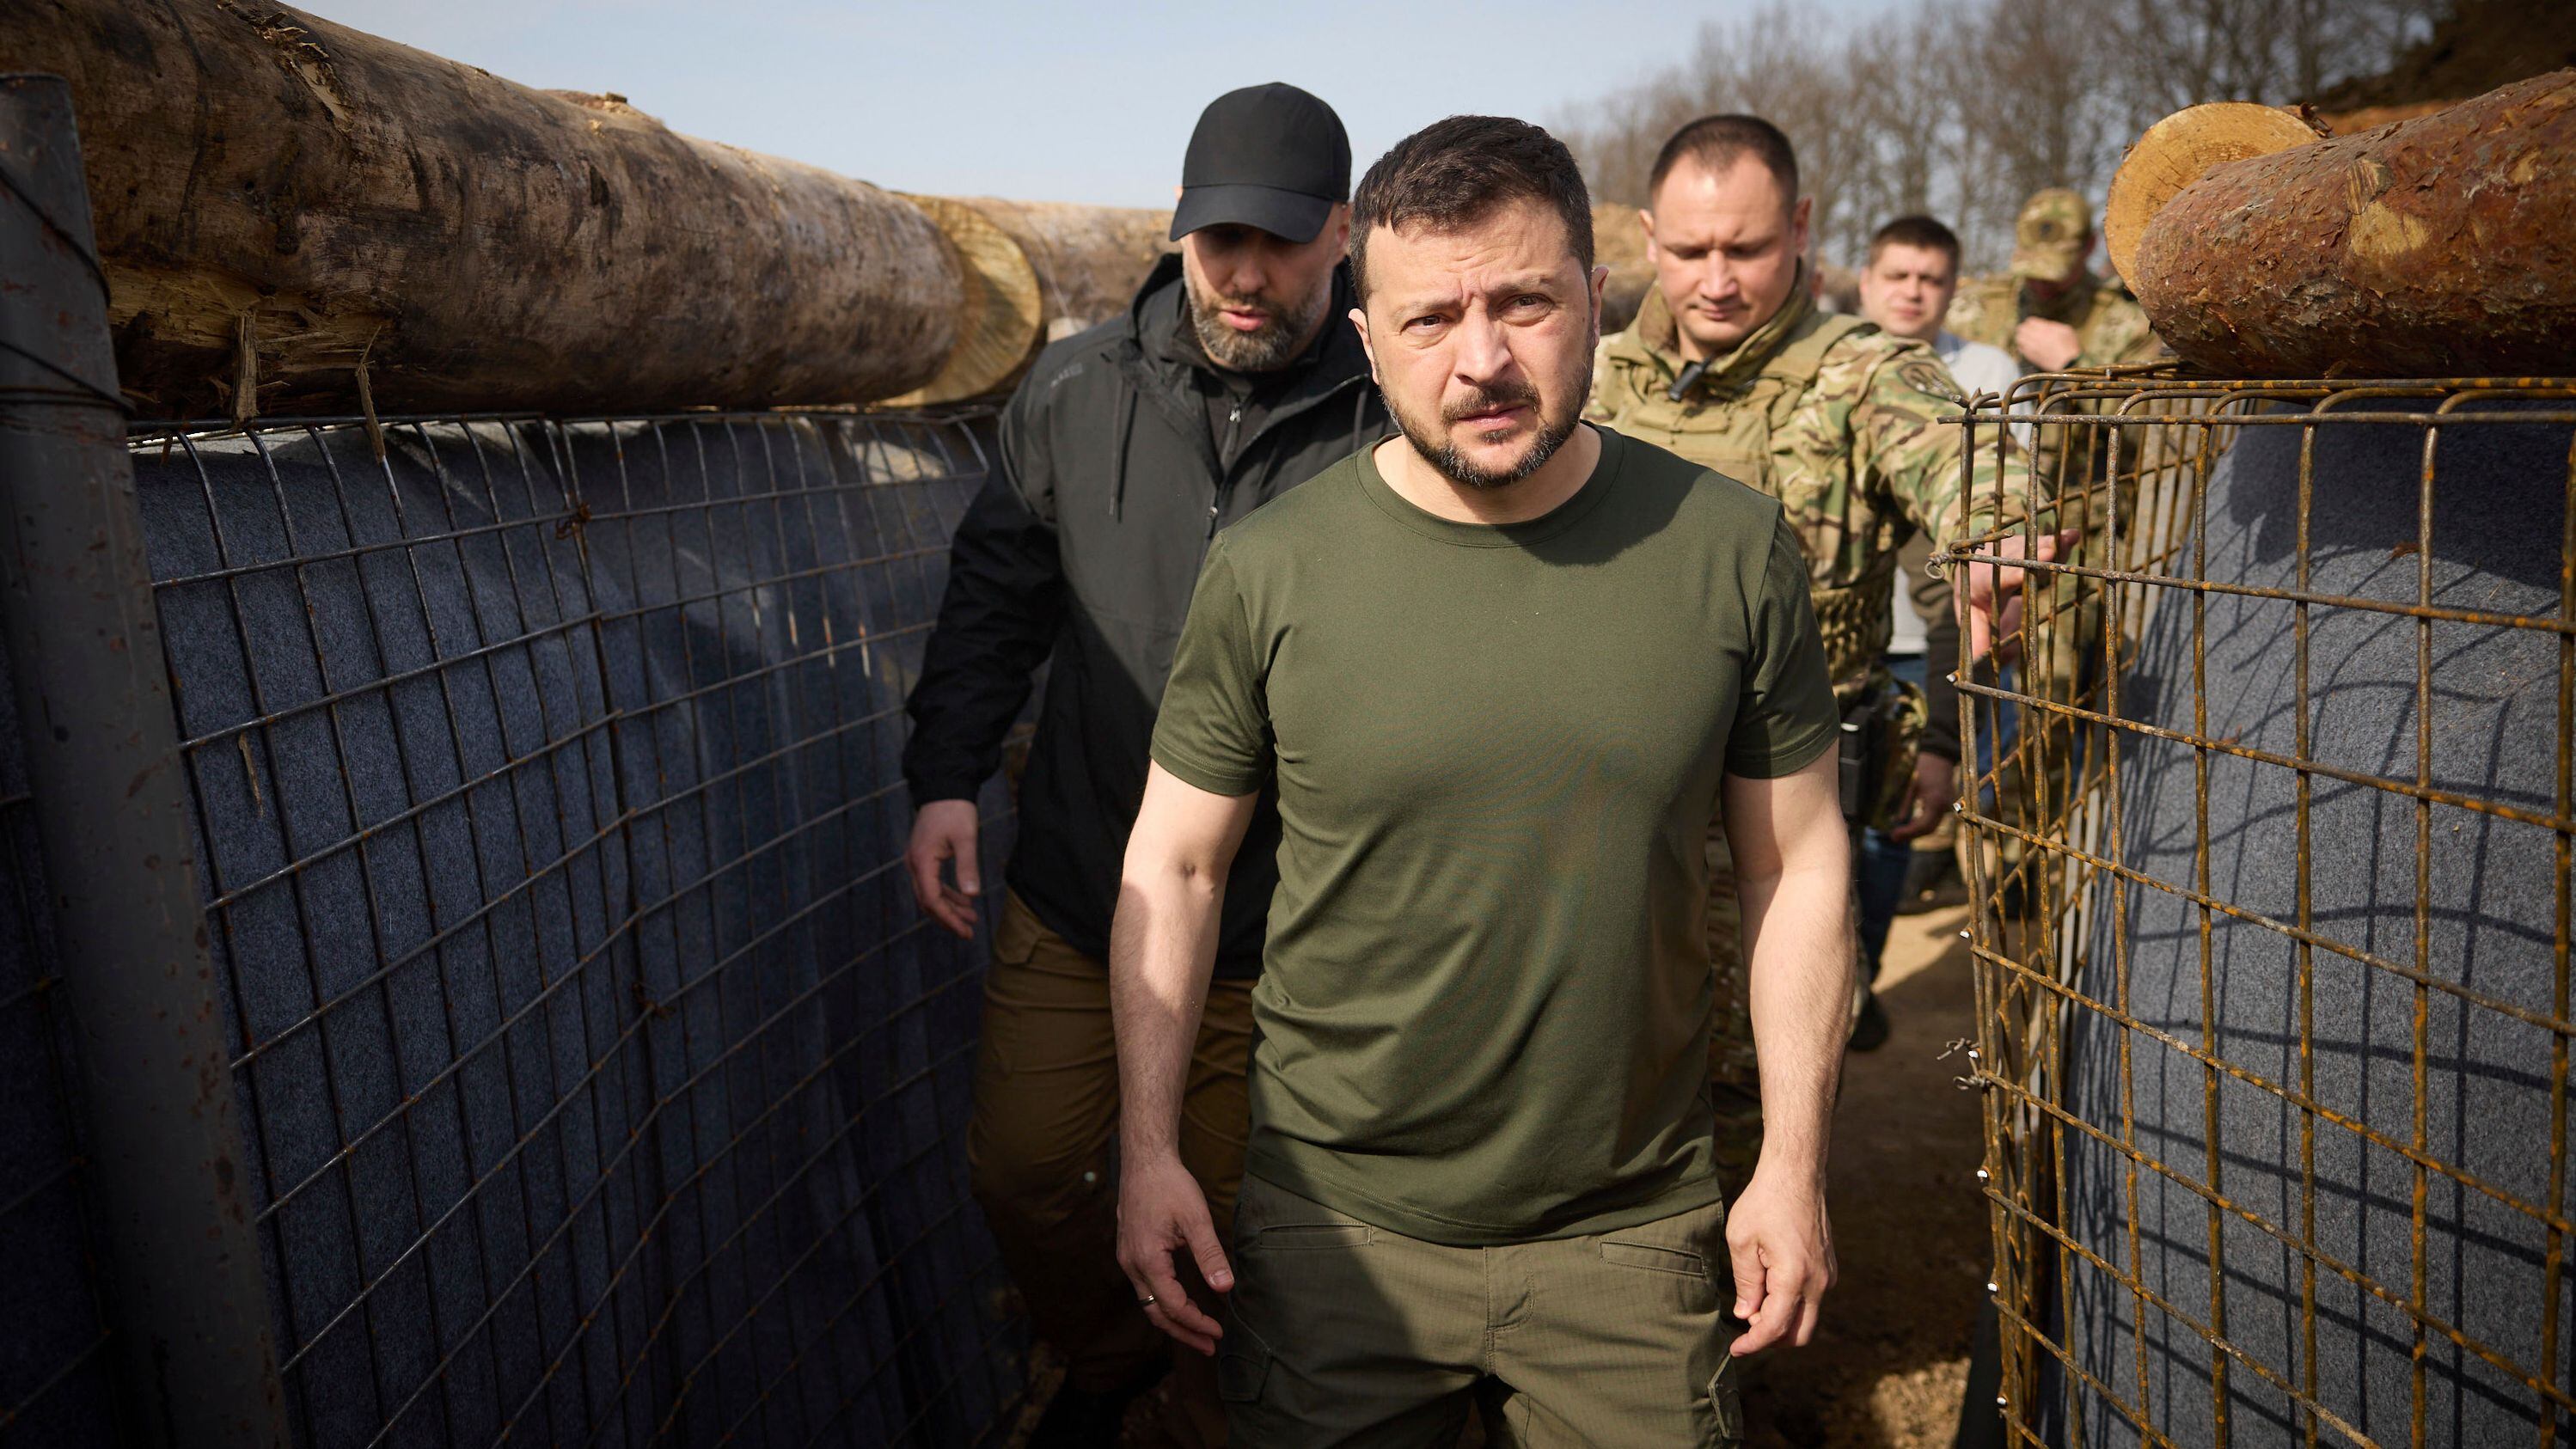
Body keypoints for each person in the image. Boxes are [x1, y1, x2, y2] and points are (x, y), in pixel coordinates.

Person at [1111, 113, 2055, 1447]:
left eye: (1525, 302)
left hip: (1632, 1234)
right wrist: (1148, 1148)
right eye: (1431, 319)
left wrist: (1789, 1165)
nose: (1484, 360)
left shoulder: (1729, 550)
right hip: (1335, 1236)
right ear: (1368, 338)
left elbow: (1794, 864)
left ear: (1597, 301)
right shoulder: (1271, 569)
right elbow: (1177, 863)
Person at [900, 82, 1384, 1446]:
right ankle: (1107, 1362)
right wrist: (944, 773)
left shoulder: (1382, 418)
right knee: (1027, 1172)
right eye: (1216, 237)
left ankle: (1192, 1399)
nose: (1244, 272)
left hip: (1277, 919)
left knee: (1229, 1220)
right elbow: (998, 594)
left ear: (1341, 234)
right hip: (1080, 876)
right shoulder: (1075, 390)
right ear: (1180, 232)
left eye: (1281, 241)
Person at [1587, 115, 2058, 1173]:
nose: (1716, 281)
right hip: (1610, 796)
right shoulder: (1601, 371)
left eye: (1746, 249)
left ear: (1800, 229)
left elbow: (1960, 453)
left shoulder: (1861, 371)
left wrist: (1996, 533)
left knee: (1753, 1090)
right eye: (1691, 250)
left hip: (1773, 804)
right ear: (1650, 237)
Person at [1856, 214, 2016, 915]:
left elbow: (2002, 507)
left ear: (1953, 289)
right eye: (1896, 276)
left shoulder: (1986, 374)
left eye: (1930, 279)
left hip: (1938, 637)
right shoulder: (1834, 370)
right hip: (1849, 638)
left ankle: (1861, 979)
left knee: (1901, 814)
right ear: (1865, 282)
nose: (1911, 293)